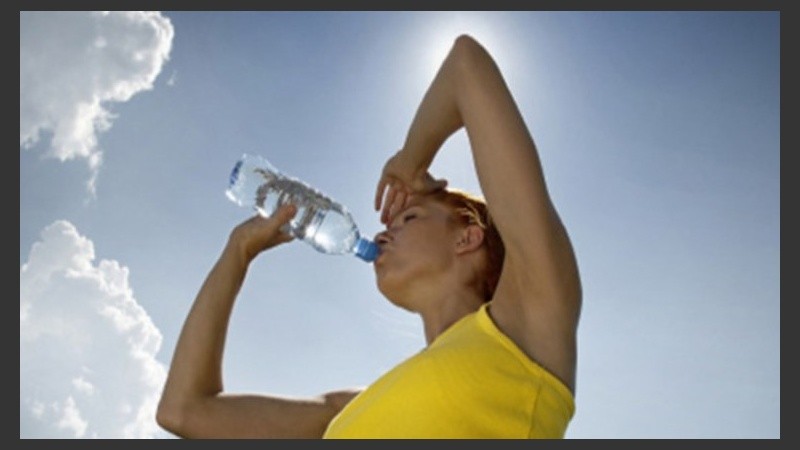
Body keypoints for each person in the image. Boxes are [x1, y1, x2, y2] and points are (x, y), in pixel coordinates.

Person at [156, 34, 582, 439]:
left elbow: (465, 65)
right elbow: (184, 410)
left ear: (467, 239)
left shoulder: (528, 323)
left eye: (409, 217)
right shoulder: (350, 409)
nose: (384, 229)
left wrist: (411, 163)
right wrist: (238, 251)